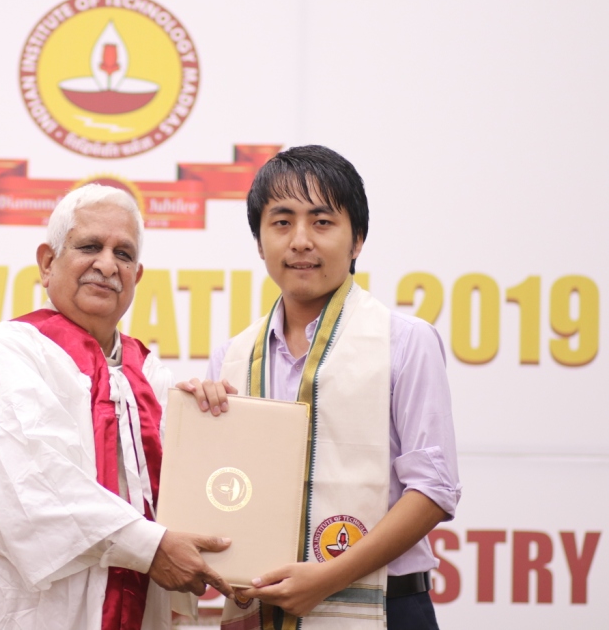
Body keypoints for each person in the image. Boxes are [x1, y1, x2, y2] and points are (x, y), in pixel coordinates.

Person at [0, 183, 234, 630]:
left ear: (136, 276)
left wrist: (211, 428)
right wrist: (150, 548)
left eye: (123, 254)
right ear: (47, 262)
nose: (107, 265)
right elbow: (27, 494)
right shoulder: (2, 356)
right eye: (90, 246)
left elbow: (189, 504)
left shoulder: (153, 379)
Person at [181, 145, 460, 630]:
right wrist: (198, 432)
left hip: (386, 609)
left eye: (322, 222)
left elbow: (434, 489)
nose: (300, 241)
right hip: (261, 609)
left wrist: (329, 577)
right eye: (281, 222)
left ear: (357, 241)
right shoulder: (231, 357)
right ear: (260, 241)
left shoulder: (405, 341)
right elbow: (222, 497)